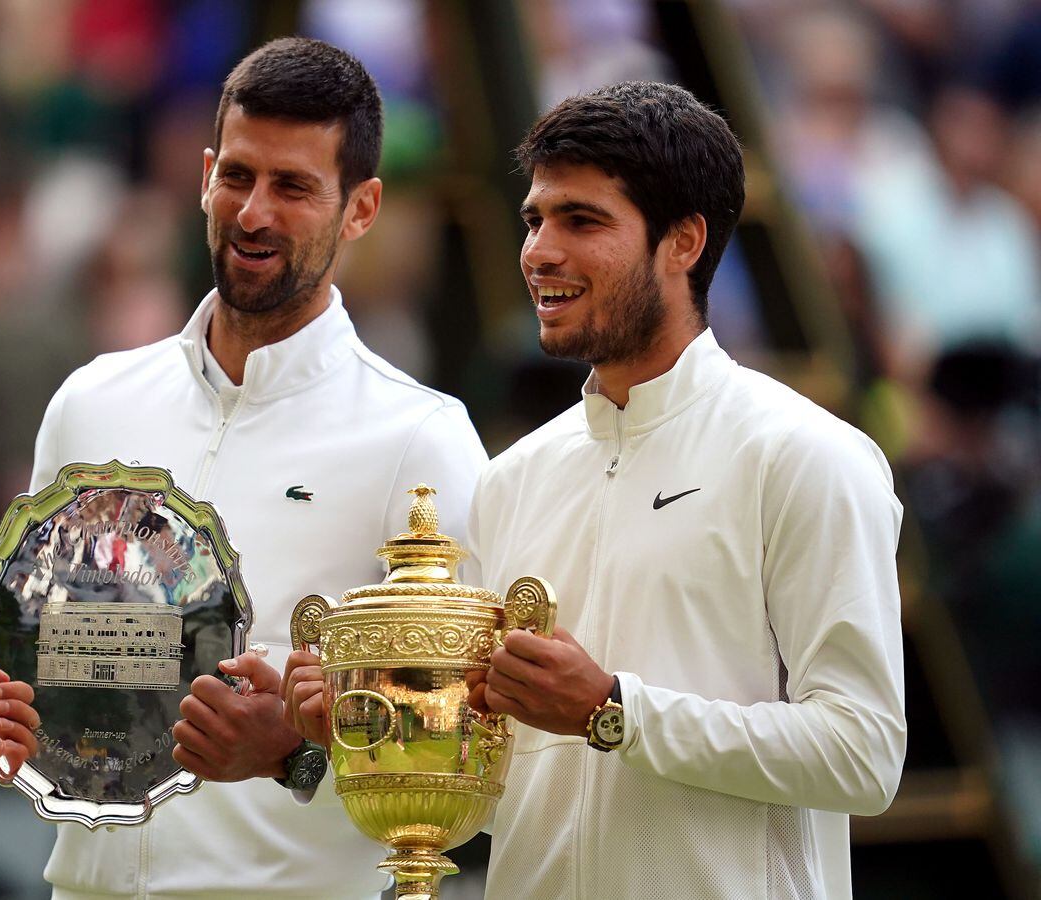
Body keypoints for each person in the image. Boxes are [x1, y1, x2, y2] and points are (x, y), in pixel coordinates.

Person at [285, 81, 906, 899]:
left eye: (582, 220)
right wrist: (365, 723)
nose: (539, 250)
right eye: (534, 219)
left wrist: (614, 711)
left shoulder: (807, 457)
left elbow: (862, 756)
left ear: (683, 242)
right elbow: (509, 800)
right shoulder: (510, 483)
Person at [0, 37, 486, 900]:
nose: (254, 212)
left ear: (362, 208)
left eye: (294, 187)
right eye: (238, 176)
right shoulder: (91, 401)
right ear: (203, 175)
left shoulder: (423, 438)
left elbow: (472, 766)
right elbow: (45, 672)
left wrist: (290, 755)